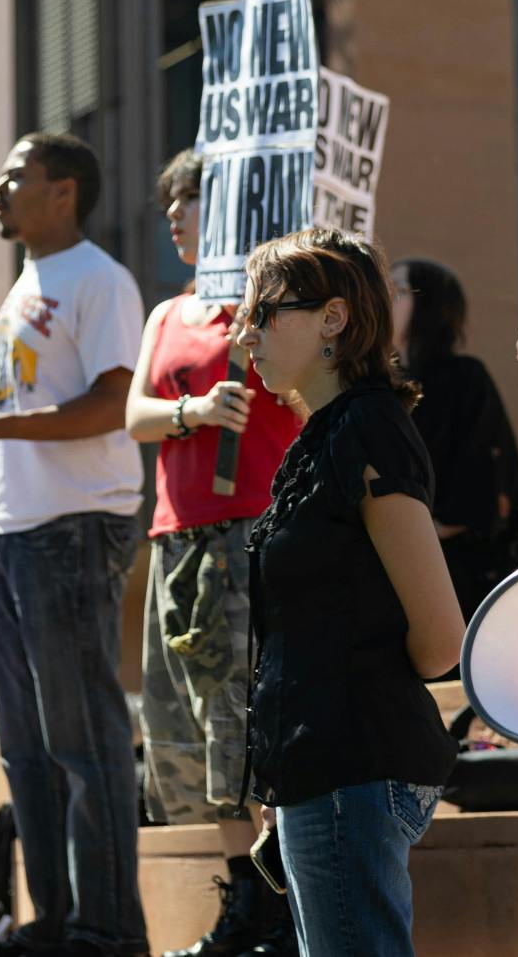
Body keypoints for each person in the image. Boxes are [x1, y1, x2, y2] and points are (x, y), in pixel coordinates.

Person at [0, 133, 148, 957]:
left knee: (83, 738)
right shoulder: (25, 283)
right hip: (14, 534)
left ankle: (105, 931)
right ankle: (55, 922)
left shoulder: (100, 279)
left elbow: (112, 405)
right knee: (24, 746)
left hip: (75, 526)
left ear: (63, 191)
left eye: (15, 174)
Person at [233, 227, 466, 956]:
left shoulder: (366, 428)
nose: (246, 332)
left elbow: (440, 638)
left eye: (264, 311)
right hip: (324, 774)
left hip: (352, 766)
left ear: (333, 318)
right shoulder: (327, 436)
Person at [124, 150, 301, 957]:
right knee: (194, 730)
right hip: (176, 534)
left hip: (250, 527)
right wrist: (193, 409)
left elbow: (309, 396)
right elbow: (137, 415)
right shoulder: (168, 314)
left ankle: (283, 897)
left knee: (242, 718)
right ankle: (247, 901)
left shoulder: (271, 304)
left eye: (189, 199)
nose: (174, 214)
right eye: (169, 202)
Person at [390, 257, 518, 623]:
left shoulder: (464, 378)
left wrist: (409, 539)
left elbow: (483, 488)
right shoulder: (374, 386)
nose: (384, 298)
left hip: (457, 576)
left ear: (429, 307)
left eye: (398, 290)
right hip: (390, 574)